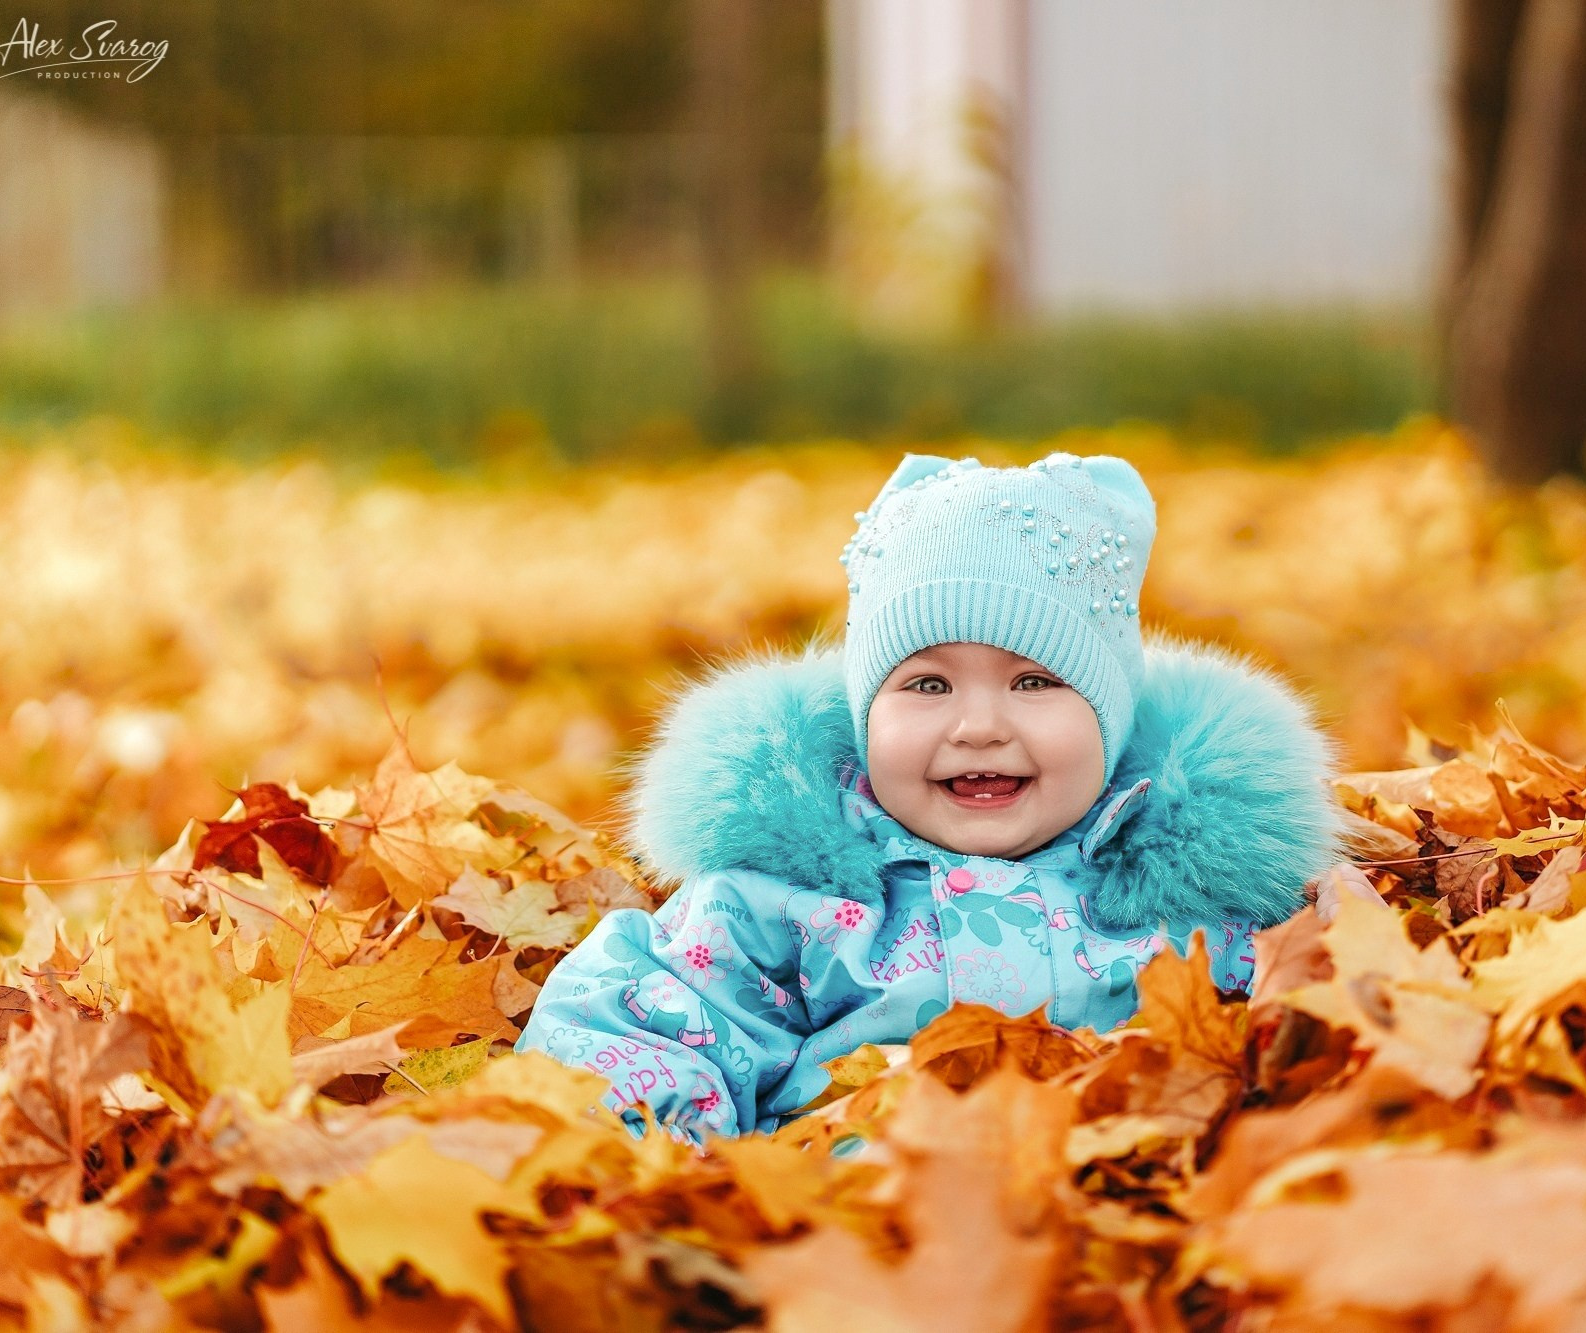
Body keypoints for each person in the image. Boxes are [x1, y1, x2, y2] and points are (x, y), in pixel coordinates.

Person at [515, 450, 1348, 1142]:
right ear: (864, 713)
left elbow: (1313, 1022)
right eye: (926, 684)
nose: (980, 724)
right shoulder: (788, 898)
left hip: (1120, 1230)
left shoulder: (1189, 896)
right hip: (849, 1231)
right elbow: (640, 1023)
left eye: (1033, 680)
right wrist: (671, 1171)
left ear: (1111, 719)